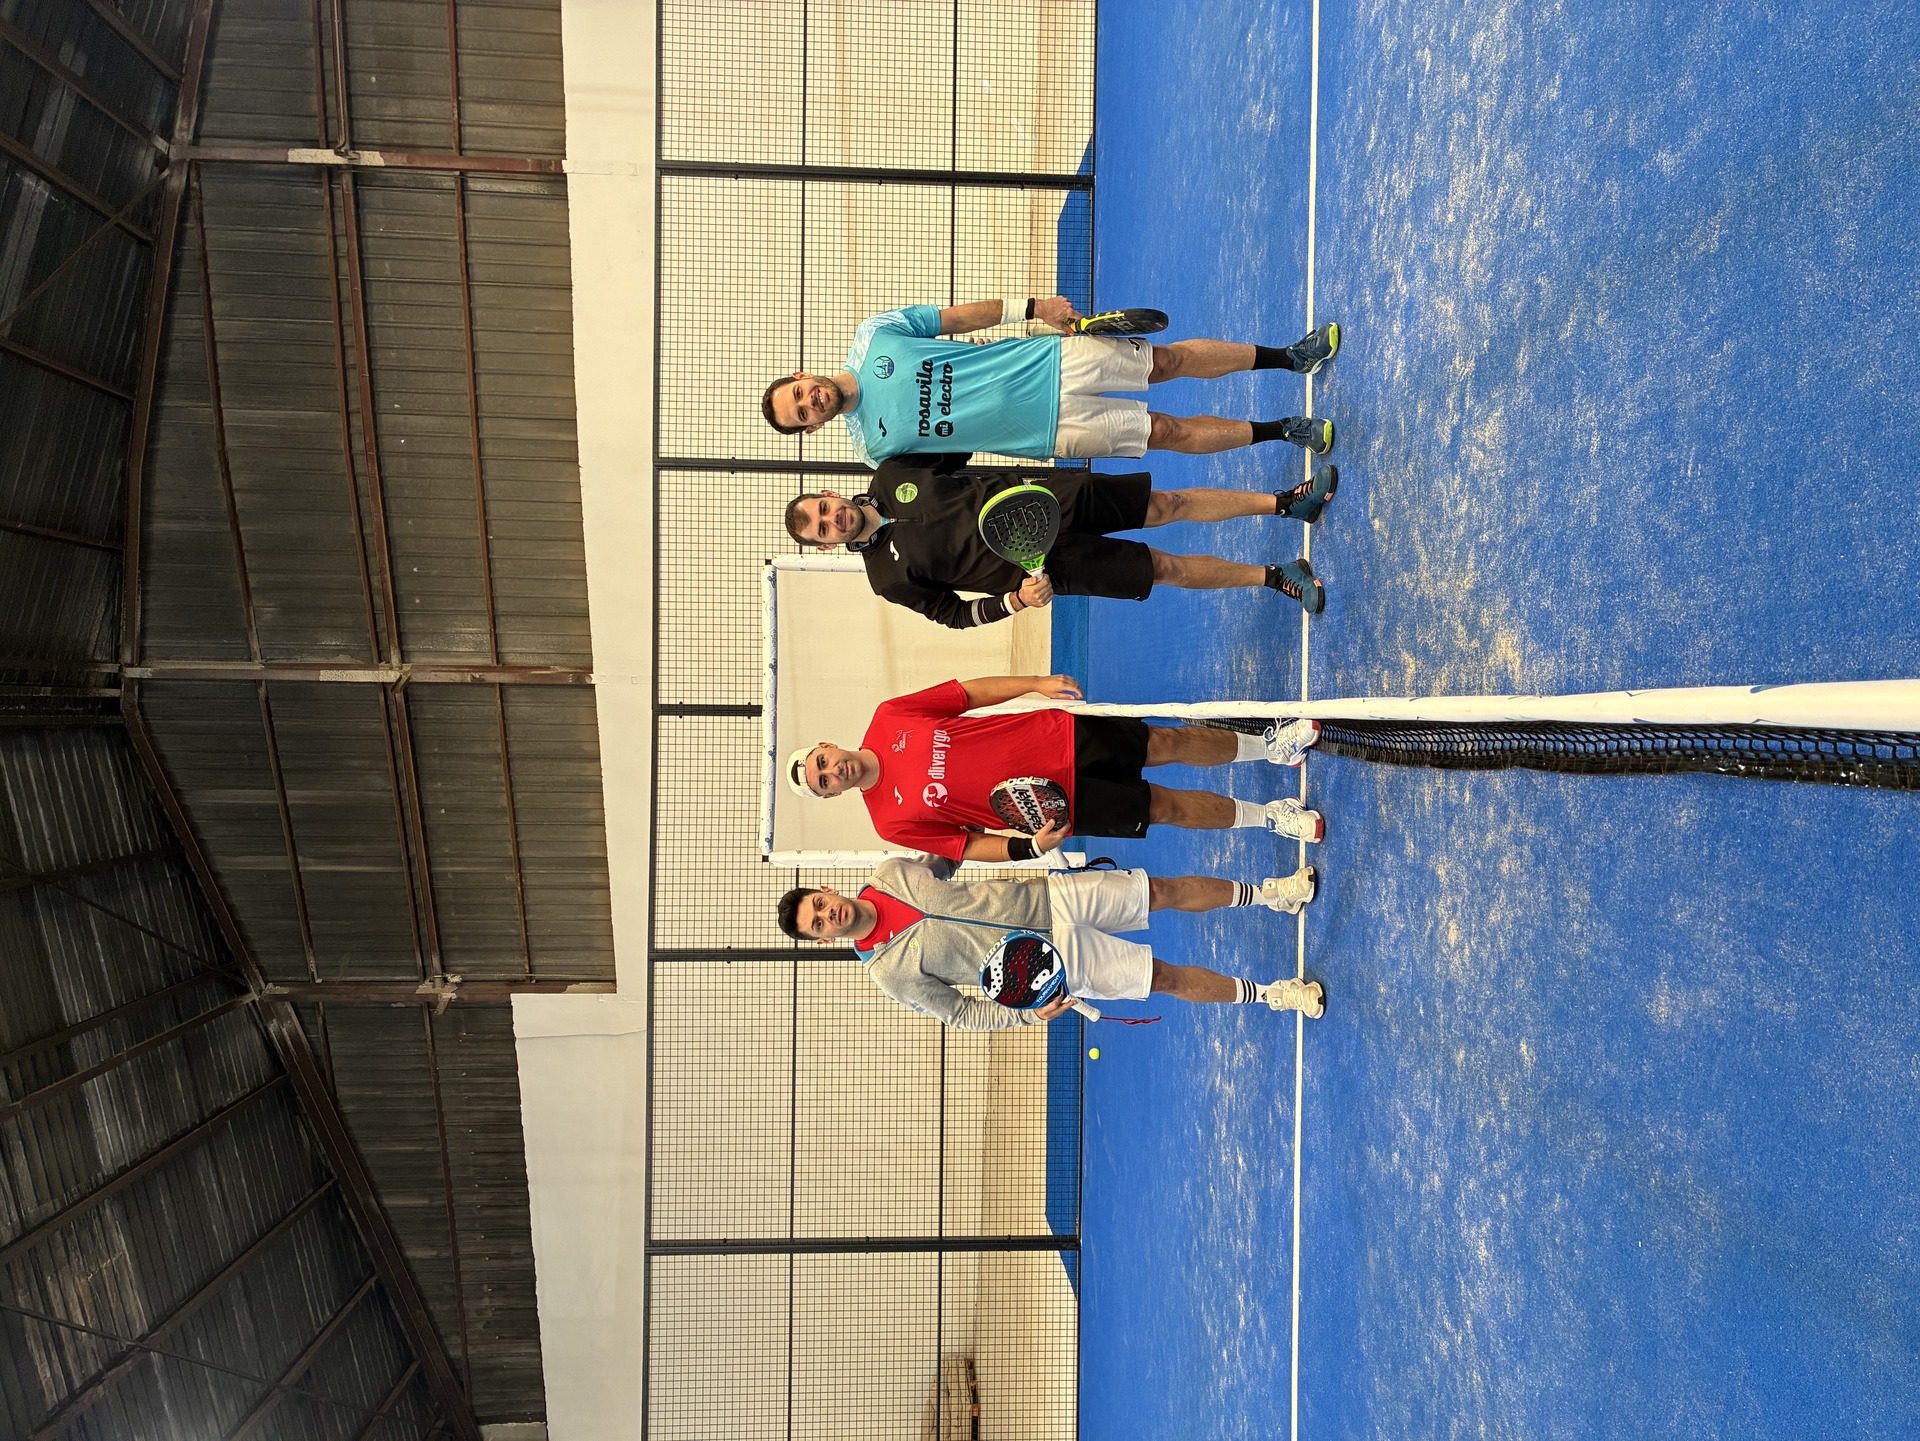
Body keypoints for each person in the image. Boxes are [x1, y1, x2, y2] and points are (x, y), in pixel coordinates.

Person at [786, 674, 1325, 862]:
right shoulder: (889, 822)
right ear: (832, 795)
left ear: (828, 746)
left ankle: (1270, 746)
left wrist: (1034, 684)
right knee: (1166, 808)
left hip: (1057, 734)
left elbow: (967, 694)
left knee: (1168, 741)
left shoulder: (890, 716)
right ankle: (1271, 817)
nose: (833, 772)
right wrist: (1027, 848)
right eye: (824, 782)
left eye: (822, 763)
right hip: (1054, 811)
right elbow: (965, 845)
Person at [760, 295, 1339, 465]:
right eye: (803, 413)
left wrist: (1033, 306)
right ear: (813, 429)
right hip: (1047, 433)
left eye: (800, 393)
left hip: (1049, 361)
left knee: (1164, 363)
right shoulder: (875, 451)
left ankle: (1289, 356)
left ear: (802, 374)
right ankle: (1285, 431)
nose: (811, 402)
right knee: (1165, 431)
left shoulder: (874, 336)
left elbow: (954, 319)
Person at [776, 853, 1326, 1029]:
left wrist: (1023, 842)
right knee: (1164, 979)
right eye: (818, 924)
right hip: (1051, 968)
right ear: (823, 941)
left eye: (819, 904)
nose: (828, 915)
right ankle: (1275, 994)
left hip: (1051, 898)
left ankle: (1270, 894)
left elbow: (953, 852)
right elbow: (962, 1014)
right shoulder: (888, 974)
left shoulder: (891, 871)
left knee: (1160, 890)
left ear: (827, 890)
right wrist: (1027, 1015)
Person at [783, 457, 1339, 618]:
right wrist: (1014, 601)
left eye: (824, 509)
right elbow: (954, 614)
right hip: (1047, 566)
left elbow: (962, 442)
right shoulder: (886, 578)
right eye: (823, 529)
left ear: (830, 495)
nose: (833, 519)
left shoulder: (891, 474)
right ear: (828, 545)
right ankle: (1276, 578)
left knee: (1166, 504)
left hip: (1046, 498)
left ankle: (1286, 504)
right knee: (1162, 568)